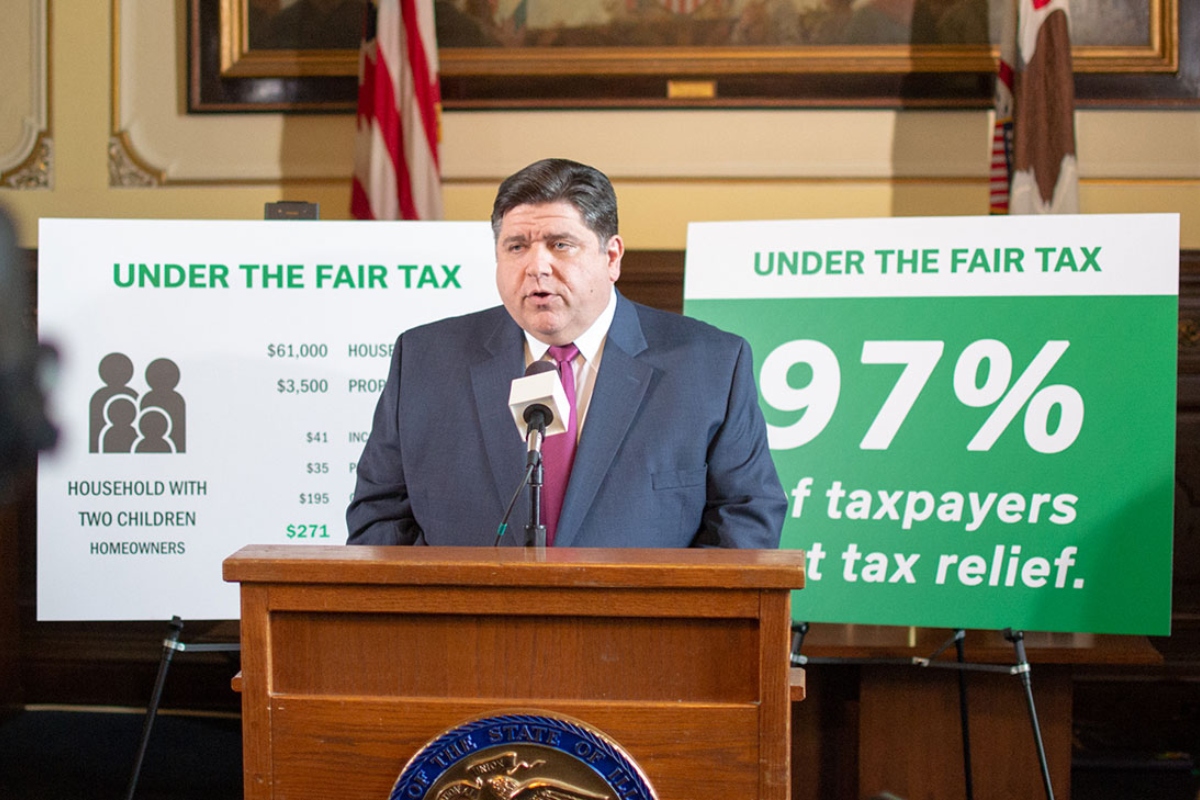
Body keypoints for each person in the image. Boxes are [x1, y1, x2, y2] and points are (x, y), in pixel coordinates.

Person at [346, 158, 786, 548]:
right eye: (516, 246)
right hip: (466, 636)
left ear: (611, 257)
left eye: (560, 244)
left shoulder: (709, 366)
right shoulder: (424, 360)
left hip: (641, 637)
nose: (536, 266)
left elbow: (746, 518)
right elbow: (380, 515)